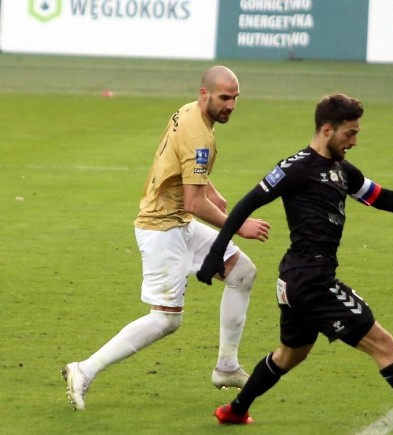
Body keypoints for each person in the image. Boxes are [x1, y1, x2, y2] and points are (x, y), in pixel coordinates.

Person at [196, 93, 393, 435]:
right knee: (383, 345)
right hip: (312, 281)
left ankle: (235, 409)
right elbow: (246, 203)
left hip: (295, 281)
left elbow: (383, 198)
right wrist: (216, 254)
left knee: (289, 354)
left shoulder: (342, 171)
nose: (354, 141)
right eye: (349, 134)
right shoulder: (295, 168)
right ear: (327, 129)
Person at [62, 66, 271, 411]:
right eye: (224, 97)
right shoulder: (199, 135)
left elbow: (183, 166)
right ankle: (83, 370)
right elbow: (193, 201)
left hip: (179, 223)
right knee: (166, 319)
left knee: (242, 273)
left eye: (235, 98)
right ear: (205, 94)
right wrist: (239, 225)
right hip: (163, 228)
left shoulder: (189, 111)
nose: (231, 104)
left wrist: (211, 189)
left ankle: (226, 366)